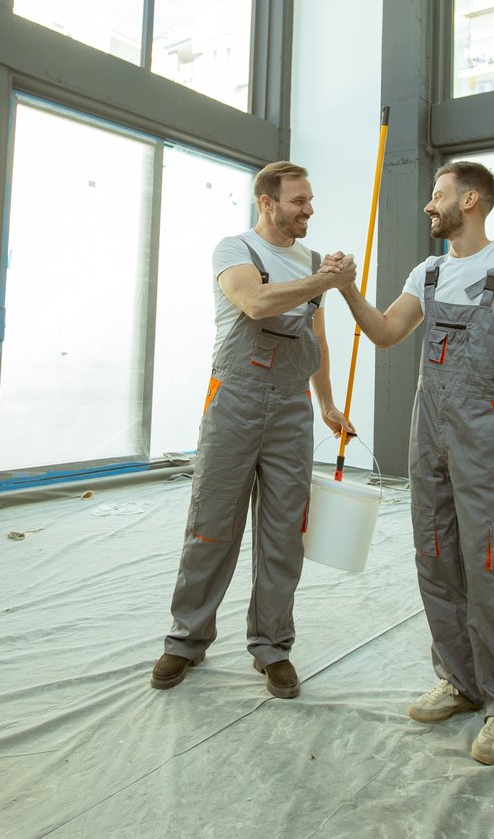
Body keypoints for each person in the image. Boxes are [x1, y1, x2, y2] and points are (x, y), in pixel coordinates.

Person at [333, 161, 494, 764]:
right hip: (431, 431)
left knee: (487, 563)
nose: (428, 206)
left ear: (470, 200)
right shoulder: (429, 270)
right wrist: (345, 290)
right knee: (434, 553)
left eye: (437, 196)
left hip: (487, 435)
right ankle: (460, 682)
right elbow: (387, 332)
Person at [152, 161, 354, 700]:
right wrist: (323, 282)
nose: (308, 209)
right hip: (236, 399)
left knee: (284, 533)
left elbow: (319, 341)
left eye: (310, 200)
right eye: (298, 201)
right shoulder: (235, 250)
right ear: (267, 203)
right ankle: (186, 640)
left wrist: (328, 404)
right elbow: (255, 302)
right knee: (212, 523)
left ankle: (273, 647)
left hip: (291, 405)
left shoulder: (313, 261)